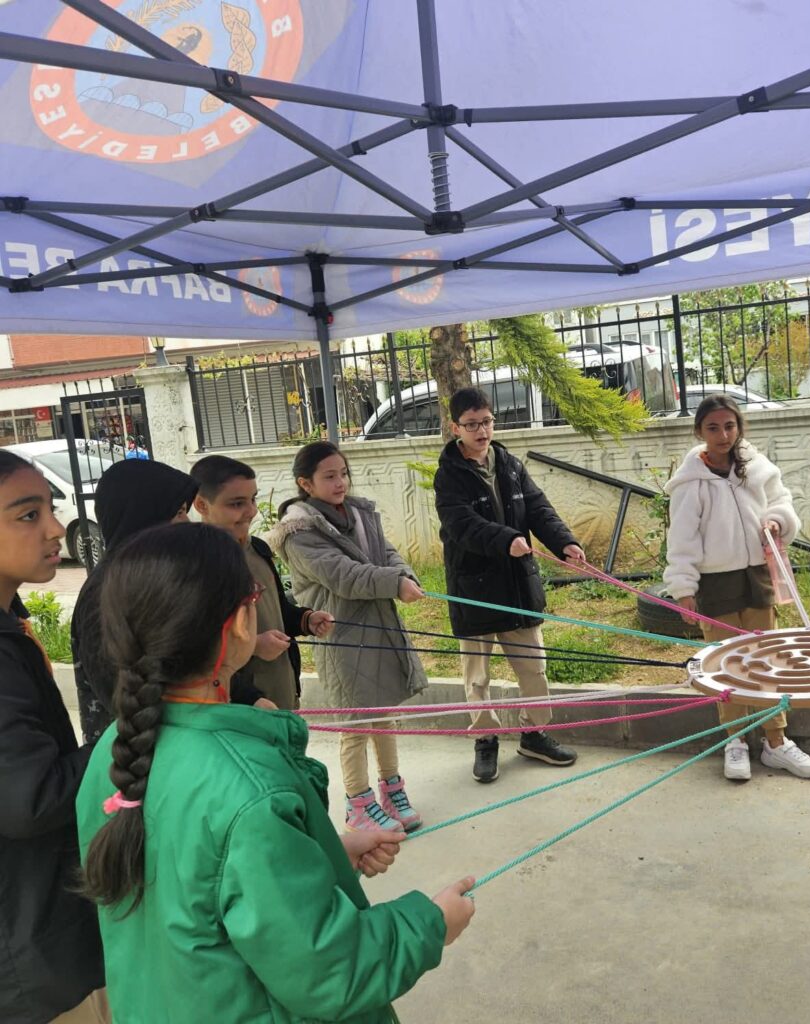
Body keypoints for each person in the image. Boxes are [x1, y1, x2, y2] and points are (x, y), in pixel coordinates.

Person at [76, 522, 475, 1024]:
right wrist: (432, 923)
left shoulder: (112, 752)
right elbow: (331, 971)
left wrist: (321, 854)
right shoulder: (250, 791)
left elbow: (199, 888)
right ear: (239, 623)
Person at [662, 393, 810, 783]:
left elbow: (782, 501)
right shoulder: (690, 483)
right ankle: (735, 741)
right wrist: (684, 588)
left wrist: (776, 520)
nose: (723, 435)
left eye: (730, 426)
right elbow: (681, 540)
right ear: (699, 431)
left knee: (767, 659)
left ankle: (775, 741)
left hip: (757, 575)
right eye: (713, 427)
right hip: (715, 584)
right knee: (726, 666)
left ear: (740, 427)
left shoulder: (756, 468)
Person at [267, 442, 427, 832]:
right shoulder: (298, 531)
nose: (340, 482)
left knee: (382, 712)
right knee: (354, 721)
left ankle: (392, 788)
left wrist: (403, 574)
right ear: (306, 483)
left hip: (378, 623)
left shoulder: (359, 512)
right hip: (339, 631)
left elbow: (387, 552)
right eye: (329, 476)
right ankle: (358, 801)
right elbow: (344, 576)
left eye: (343, 473)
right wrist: (394, 583)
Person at [0, 451, 107, 1024]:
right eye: (26, 515)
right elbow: (31, 798)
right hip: (25, 957)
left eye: (49, 508)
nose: (53, 529)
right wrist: (131, 734)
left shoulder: (9, 622)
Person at [433, 386, 585, 785]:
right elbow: (461, 525)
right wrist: (505, 539)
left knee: (534, 667)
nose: (481, 431)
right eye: (471, 424)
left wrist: (564, 541)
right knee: (477, 676)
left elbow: (537, 507)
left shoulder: (510, 463)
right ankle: (485, 739)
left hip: (517, 583)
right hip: (474, 587)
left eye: (486, 421)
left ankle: (534, 733)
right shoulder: (449, 475)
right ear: (455, 427)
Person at [71, 459, 270, 745]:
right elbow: (125, 691)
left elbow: (194, 657)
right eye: (178, 512)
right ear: (143, 517)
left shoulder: (154, 579)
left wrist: (250, 699)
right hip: (140, 761)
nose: (186, 523)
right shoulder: (105, 594)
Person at [190, 454, 332, 711]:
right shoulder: (195, 565)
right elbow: (194, 645)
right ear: (201, 505)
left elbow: (276, 609)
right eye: (236, 504)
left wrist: (306, 620)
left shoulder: (258, 550)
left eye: (253, 499)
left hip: (283, 692)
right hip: (242, 705)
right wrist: (254, 645)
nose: (251, 511)